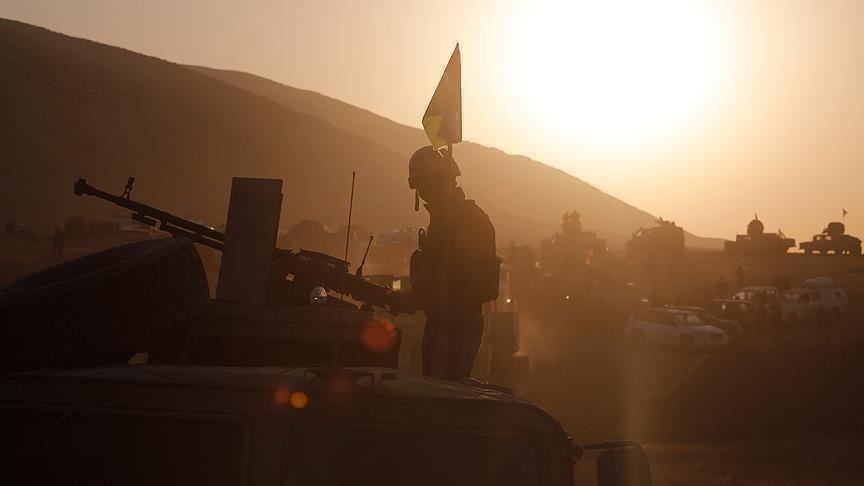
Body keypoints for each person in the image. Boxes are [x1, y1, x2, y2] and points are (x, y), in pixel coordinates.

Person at [391, 145, 500, 381]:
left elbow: (463, 280)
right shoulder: (442, 221)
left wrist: (418, 297)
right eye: (420, 186)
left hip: (458, 323)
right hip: (441, 320)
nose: (423, 192)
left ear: (441, 181)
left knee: (446, 386)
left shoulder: (467, 220)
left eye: (426, 184)